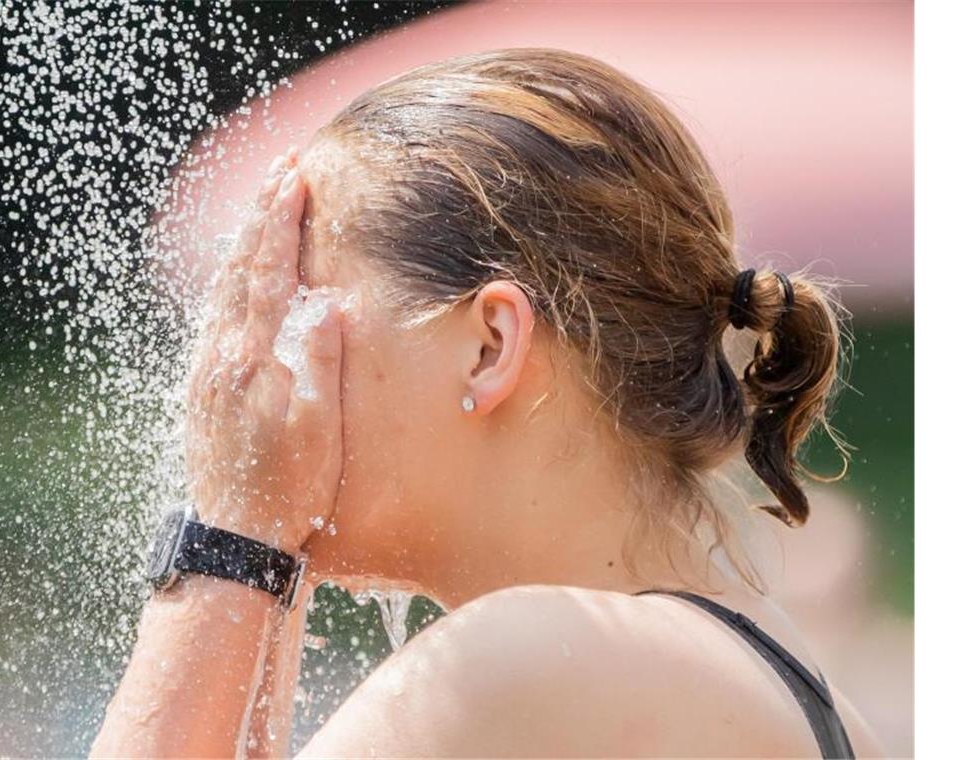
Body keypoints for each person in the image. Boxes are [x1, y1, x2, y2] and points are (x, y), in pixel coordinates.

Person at [90, 49, 883, 758]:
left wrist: (231, 529)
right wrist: (268, 561)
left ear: (490, 347)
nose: (267, 370)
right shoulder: (816, 705)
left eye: (303, 305)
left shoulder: (526, 664)